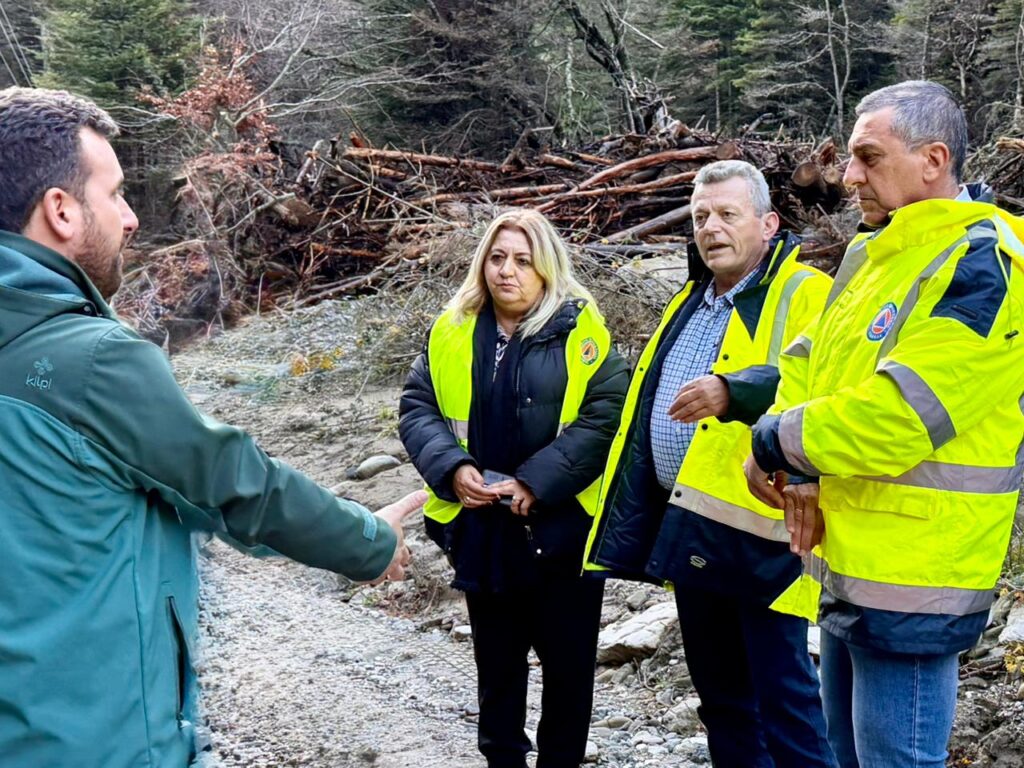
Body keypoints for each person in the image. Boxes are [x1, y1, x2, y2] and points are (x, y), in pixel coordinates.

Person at [0, 87, 420, 768]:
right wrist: (367, 541)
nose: (131, 217)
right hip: (94, 746)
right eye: (116, 194)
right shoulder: (94, 362)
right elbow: (234, 483)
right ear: (61, 210)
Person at [745, 80, 1024, 768]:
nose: (848, 176)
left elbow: (901, 415)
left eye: (868, 157)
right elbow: (804, 360)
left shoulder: (982, 265)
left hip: (915, 575)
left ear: (933, 160)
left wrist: (774, 441)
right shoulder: (877, 256)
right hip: (850, 554)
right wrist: (798, 466)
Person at [583, 160, 835, 768]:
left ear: (768, 224)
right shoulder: (690, 301)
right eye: (700, 217)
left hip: (766, 532)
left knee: (785, 700)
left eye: (727, 214)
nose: (710, 228)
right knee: (722, 702)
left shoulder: (806, 292)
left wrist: (734, 390)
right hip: (696, 523)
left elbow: (826, 385)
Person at [399, 208, 628, 768]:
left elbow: (608, 411)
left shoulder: (580, 330)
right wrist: (453, 468)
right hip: (484, 532)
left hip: (562, 532)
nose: (507, 271)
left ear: (546, 268)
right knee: (497, 671)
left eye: (523, 260)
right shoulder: (452, 330)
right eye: (498, 258)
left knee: (568, 672)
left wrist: (537, 481)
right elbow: (418, 406)